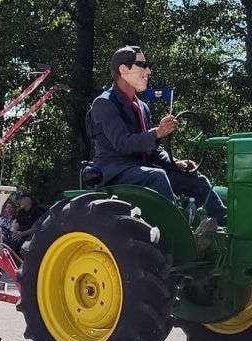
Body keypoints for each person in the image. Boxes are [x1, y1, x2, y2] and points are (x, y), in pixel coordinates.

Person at [87, 45, 227, 226]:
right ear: (123, 69)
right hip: (115, 171)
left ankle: (228, 228)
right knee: (158, 176)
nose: (148, 71)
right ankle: (182, 235)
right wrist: (157, 132)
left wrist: (174, 162)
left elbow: (152, 150)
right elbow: (123, 143)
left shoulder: (142, 106)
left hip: (142, 169)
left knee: (196, 179)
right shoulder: (104, 103)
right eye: (142, 65)